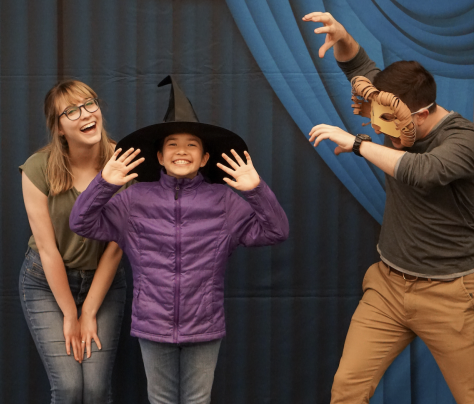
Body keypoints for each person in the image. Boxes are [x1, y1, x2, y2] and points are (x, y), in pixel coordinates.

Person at [69, 76, 289, 404]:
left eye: (192, 145)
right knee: (161, 400)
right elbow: (81, 222)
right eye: (172, 144)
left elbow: (276, 231)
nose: (181, 151)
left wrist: (257, 190)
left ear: (203, 158)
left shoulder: (223, 202)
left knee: (197, 401)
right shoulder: (134, 200)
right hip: (152, 324)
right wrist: (104, 183)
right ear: (159, 156)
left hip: (204, 324)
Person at [302, 11, 474, 404]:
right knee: (346, 390)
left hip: (450, 294)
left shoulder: (463, 140)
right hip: (387, 287)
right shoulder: (394, 109)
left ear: (423, 113)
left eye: (388, 121)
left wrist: (359, 145)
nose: (379, 128)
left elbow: (424, 172)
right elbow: (360, 68)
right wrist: (343, 37)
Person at [19, 80, 128, 404]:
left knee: (94, 391)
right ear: (59, 128)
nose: (85, 114)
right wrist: (70, 313)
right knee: (68, 389)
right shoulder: (37, 168)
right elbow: (48, 249)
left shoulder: (123, 165)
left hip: (103, 281)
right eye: (71, 111)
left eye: (89, 103)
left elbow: (116, 248)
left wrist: (90, 310)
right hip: (46, 281)